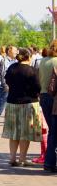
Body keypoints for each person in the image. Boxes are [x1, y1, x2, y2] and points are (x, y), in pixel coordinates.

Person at [2, 48, 41, 166]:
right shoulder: (32, 70)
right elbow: (38, 87)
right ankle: (22, 158)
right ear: (28, 57)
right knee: (25, 133)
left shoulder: (12, 68)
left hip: (12, 102)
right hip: (28, 104)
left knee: (13, 132)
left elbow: (7, 81)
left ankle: (12, 158)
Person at [39, 40, 57, 172]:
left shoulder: (43, 60)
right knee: (54, 131)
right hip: (53, 97)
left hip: (44, 95)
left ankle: (49, 162)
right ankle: (50, 162)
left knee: (53, 131)